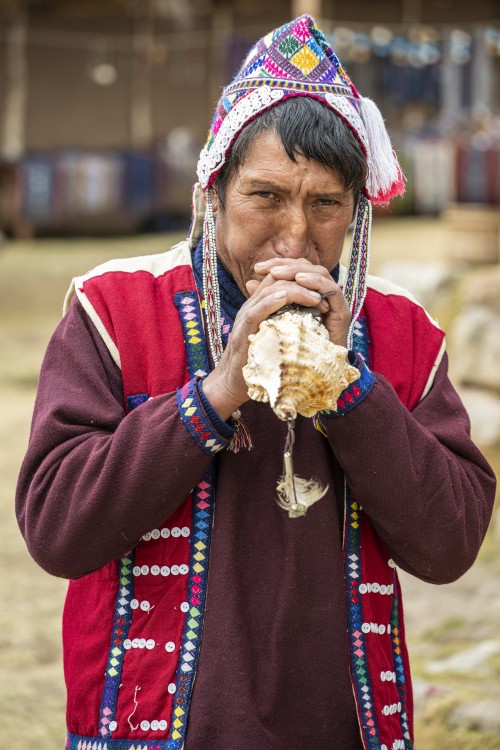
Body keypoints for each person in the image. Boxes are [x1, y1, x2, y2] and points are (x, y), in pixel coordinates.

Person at [16, 15, 495, 750]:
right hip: (157, 733)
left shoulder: (402, 332)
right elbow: (55, 530)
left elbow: (450, 544)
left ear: (357, 213)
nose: (295, 238)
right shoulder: (113, 307)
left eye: (326, 204)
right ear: (214, 190)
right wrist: (216, 394)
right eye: (266, 196)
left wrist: (349, 389)